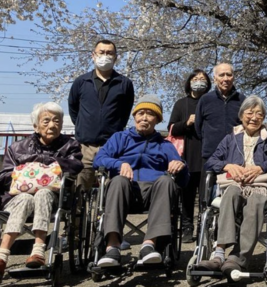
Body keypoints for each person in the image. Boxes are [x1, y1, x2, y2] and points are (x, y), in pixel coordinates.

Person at [198, 96, 267, 277]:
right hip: (235, 184)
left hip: (261, 187)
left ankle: (238, 258)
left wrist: (262, 167)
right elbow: (211, 161)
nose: (254, 117)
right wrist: (227, 165)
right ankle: (219, 253)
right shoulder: (230, 139)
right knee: (231, 192)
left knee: (255, 200)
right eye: (250, 113)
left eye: (259, 114)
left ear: (263, 118)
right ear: (241, 115)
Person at [93, 95, 189, 268]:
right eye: (141, 113)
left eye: (150, 114)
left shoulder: (165, 145)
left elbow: (184, 180)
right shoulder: (119, 138)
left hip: (154, 193)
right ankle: (112, 247)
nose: (144, 118)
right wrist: (119, 163)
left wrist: (180, 165)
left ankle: (148, 245)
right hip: (124, 190)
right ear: (135, 116)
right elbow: (99, 160)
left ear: (157, 120)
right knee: (118, 181)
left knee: (166, 181)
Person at [0, 103, 83, 278]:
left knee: (43, 192)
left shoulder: (70, 145)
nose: (52, 125)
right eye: (46, 121)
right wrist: (26, 172)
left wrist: (51, 163)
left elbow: (76, 165)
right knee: (25, 198)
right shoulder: (17, 148)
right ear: (35, 125)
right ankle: (2, 255)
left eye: (56, 121)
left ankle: (38, 251)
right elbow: (4, 175)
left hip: (53, 198)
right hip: (17, 198)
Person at [68, 39, 135, 190]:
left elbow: (125, 112)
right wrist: (84, 126)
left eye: (109, 53)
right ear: (93, 55)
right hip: (86, 146)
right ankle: (79, 214)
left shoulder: (124, 83)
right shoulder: (81, 82)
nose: (105, 56)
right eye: (102, 52)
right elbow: (73, 109)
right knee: (80, 188)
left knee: (114, 188)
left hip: (112, 146)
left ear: (116, 57)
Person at [167, 69, 211, 243]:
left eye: (203, 79)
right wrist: (187, 122)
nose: (199, 81)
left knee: (206, 194)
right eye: (196, 78)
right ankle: (186, 227)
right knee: (187, 194)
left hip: (206, 153)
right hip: (187, 154)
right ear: (189, 82)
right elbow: (172, 129)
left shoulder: (210, 102)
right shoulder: (181, 104)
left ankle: (204, 226)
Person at [195, 63, 246, 171]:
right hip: (211, 154)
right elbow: (198, 127)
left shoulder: (242, 100)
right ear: (215, 79)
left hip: (236, 154)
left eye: (229, 75)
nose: (226, 78)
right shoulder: (205, 99)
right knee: (207, 187)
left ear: (234, 77)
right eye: (221, 75)